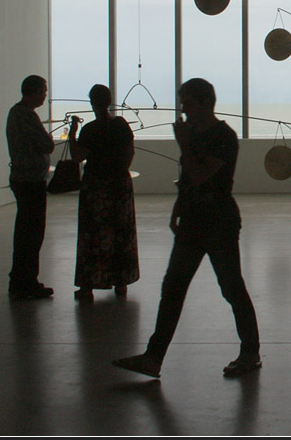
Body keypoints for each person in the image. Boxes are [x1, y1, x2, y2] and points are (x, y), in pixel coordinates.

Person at [113, 78, 260, 380]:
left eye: (187, 102)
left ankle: (250, 353)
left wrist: (184, 145)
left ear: (206, 102)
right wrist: (178, 210)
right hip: (194, 221)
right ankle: (154, 357)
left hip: (218, 222)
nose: (183, 110)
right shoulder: (194, 134)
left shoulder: (224, 137)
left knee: (231, 287)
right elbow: (189, 179)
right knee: (173, 288)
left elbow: (201, 174)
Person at [71, 84, 139, 300]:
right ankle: (120, 282)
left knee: (93, 233)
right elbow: (129, 155)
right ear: (109, 100)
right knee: (120, 231)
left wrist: (72, 133)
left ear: (92, 102)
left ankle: (88, 286)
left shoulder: (90, 129)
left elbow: (77, 156)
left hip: (96, 186)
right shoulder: (121, 125)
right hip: (119, 184)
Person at [6, 74, 56, 299]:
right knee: (32, 234)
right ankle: (26, 282)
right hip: (30, 181)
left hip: (23, 179)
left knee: (26, 233)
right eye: (43, 91)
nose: (45, 95)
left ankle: (21, 280)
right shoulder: (26, 115)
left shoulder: (17, 113)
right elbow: (47, 145)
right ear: (34, 92)